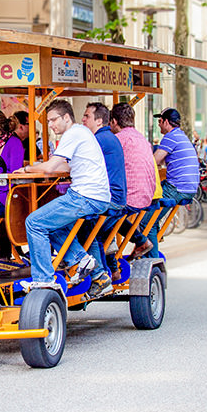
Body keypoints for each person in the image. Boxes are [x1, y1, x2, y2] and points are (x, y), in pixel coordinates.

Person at [14, 99, 111, 291]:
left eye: (53, 120)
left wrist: (26, 169)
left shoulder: (73, 133)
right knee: (51, 225)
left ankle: (43, 279)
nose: (50, 125)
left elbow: (50, 167)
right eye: (48, 121)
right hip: (97, 196)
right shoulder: (82, 132)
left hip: (85, 196)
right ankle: (82, 260)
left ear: (66, 117)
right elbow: (65, 166)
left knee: (34, 222)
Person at [79, 102, 127, 297]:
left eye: (87, 116)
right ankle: (109, 271)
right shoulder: (107, 137)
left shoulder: (99, 140)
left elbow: (75, 163)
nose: (83, 119)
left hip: (110, 199)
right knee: (94, 228)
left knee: (85, 225)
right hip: (115, 197)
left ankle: (100, 276)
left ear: (99, 121)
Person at [138, 107, 199, 258]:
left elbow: (154, 161)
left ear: (166, 122)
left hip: (177, 187)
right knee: (153, 207)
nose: (159, 124)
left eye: (160, 121)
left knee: (146, 222)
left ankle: (151, 260)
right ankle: (154, 237)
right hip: (189, 187)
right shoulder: (182, 136)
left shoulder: (170, 137)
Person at [108, 103, 157, 268]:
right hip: (147, 194)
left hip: (130, 197)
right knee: (112, 218)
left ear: (114, 121)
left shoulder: (117, 140)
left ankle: (109, 270)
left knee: (96, 223)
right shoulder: (141, 138)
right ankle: (140, 240)